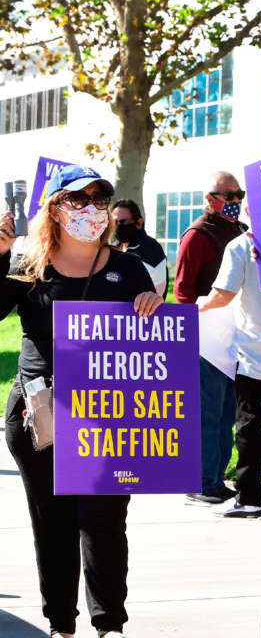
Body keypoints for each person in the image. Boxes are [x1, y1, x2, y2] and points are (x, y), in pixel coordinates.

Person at [1, 165, 163, 638]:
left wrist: (153, 310)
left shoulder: (128, 266)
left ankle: (109, 624)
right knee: (51, 521)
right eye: (80, 199)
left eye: (99, 199)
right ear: (54, 208)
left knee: (105, 519)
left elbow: (149, 344)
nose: (92, 208)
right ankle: (61, 625)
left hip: (107, 417)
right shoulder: (28, 265)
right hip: (41, 414)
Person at [196, 231, 261, 518]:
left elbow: (224, 294)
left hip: (254, 352)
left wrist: (199, 305)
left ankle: (250, 496)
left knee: (249, 426)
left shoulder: (242, 245)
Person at [176, 171, 246, 504]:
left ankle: (216, 477)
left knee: (226, 413)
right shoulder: (197, 235)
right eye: (228, 196)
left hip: (235, 337)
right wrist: (193, 331)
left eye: (239, 195)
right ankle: (202, 480)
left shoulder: (240, 233)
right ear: (210, 199)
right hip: (206, 338)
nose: (234, 202)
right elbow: (183, 292)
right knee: (207, 413)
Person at [110, 199, 167, 296]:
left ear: (139, 223)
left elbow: (156, 291)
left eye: (123, 222)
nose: (118, 226)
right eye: (115, 222)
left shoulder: (151, 248)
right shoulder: (115, 247)